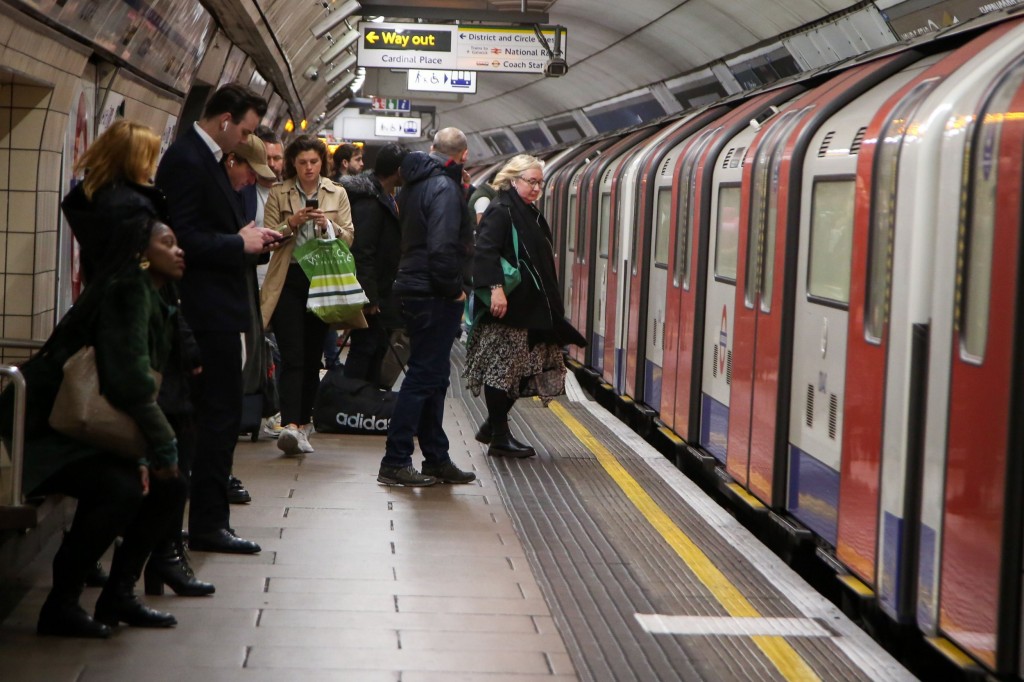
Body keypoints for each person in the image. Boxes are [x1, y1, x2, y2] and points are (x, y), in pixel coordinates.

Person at [4, 211, 189, 638]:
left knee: (165, 485)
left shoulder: (158, 295)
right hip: (41, 430)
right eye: (167, 243)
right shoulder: (127, 291)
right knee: (121, 487)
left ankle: (118, 595)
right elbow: (131, 383)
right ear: (142, 254)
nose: (178, 251)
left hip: (78, 428)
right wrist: (159, 448)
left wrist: (146, 453)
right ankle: (62, 605)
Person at [60, 120, 214, 605]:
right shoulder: (132, 220)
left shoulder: (92, 201)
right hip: (147, 351)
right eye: (149, 156)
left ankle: (99, 569)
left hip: (111, 336)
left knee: (124, 469)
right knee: (168, 459)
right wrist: (186, 348)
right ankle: (155, 562)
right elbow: (154, 292)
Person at [155, 83, 279, 555]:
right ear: (225, 120)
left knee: (219, 418)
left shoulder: (201, 159)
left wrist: (243, 234)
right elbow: (179, 236)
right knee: (214, 418)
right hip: (204, 312)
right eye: (244, 131)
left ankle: (207, 520)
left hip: (217, 309)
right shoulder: (188, 160)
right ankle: (205, 523)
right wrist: (236, 244)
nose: (243, 142)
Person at [464, 155, 586, 457]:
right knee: (503, 371)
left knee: (524, 368)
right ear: (513, 180)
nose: (536, 188)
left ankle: (494, 427)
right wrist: (495, 290)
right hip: (511, 308)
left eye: (539, 182)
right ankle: (499, 437)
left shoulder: (526, 211)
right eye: (531, 181)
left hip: (531, 308)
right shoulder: (502, 210)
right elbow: (485, 251)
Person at [376, 128, 477, 487]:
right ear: (463, 156)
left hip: (414, 288)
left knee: (434, 378)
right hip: (434, 293)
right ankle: (395, 460)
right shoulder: (446, 189)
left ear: (433, 149)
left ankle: (436, 457)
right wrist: (454, 291)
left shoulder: (414, 184)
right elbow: (442, 246)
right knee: (422, 377)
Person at [261, 135, 357, 457]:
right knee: (292, 353)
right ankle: (290, 424)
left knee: (314, 353)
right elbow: (269, 238)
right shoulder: (279, 192)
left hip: (322, 280)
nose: (308, 168)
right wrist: (292, 223)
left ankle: (304, 422)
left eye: (313, 162)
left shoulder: (337, 192)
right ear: (293, 164)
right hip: (289, 278)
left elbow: (350, 237)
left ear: (322, 163)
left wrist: (328, 225)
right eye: (302, 163)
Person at [339, 143, 408, 388]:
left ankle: (366, 398)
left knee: (377, 345)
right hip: (373, 292)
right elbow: (363, 251)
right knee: (365, 347)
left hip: (383, 289)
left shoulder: (384, 196)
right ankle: (351, 399)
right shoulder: (370, 201)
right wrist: (369, 298)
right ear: (398, 170)